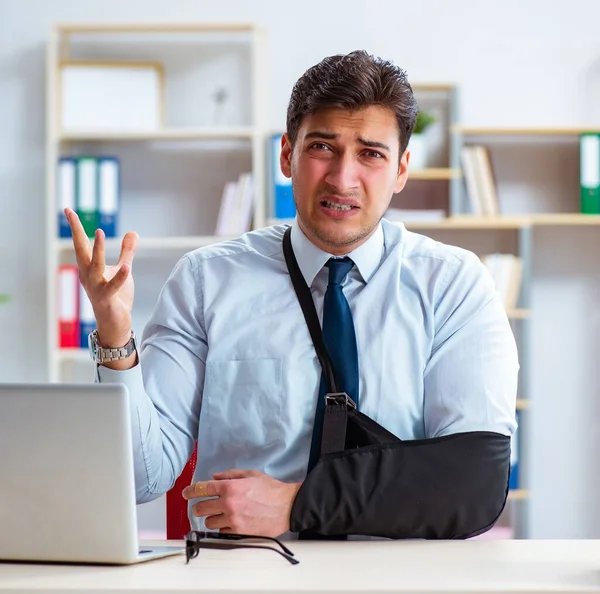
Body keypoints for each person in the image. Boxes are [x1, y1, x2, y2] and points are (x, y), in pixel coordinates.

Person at [66, 49, 518, 540]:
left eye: (371, 153)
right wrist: (114, 330)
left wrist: (300, 504)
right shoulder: (205, 280)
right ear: (287, 154)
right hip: (243, 575)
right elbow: (142, 478)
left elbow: (475, 479)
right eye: (323, 147)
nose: (343, 178)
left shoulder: (452, 284)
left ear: (402, 169)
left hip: (397, 577)